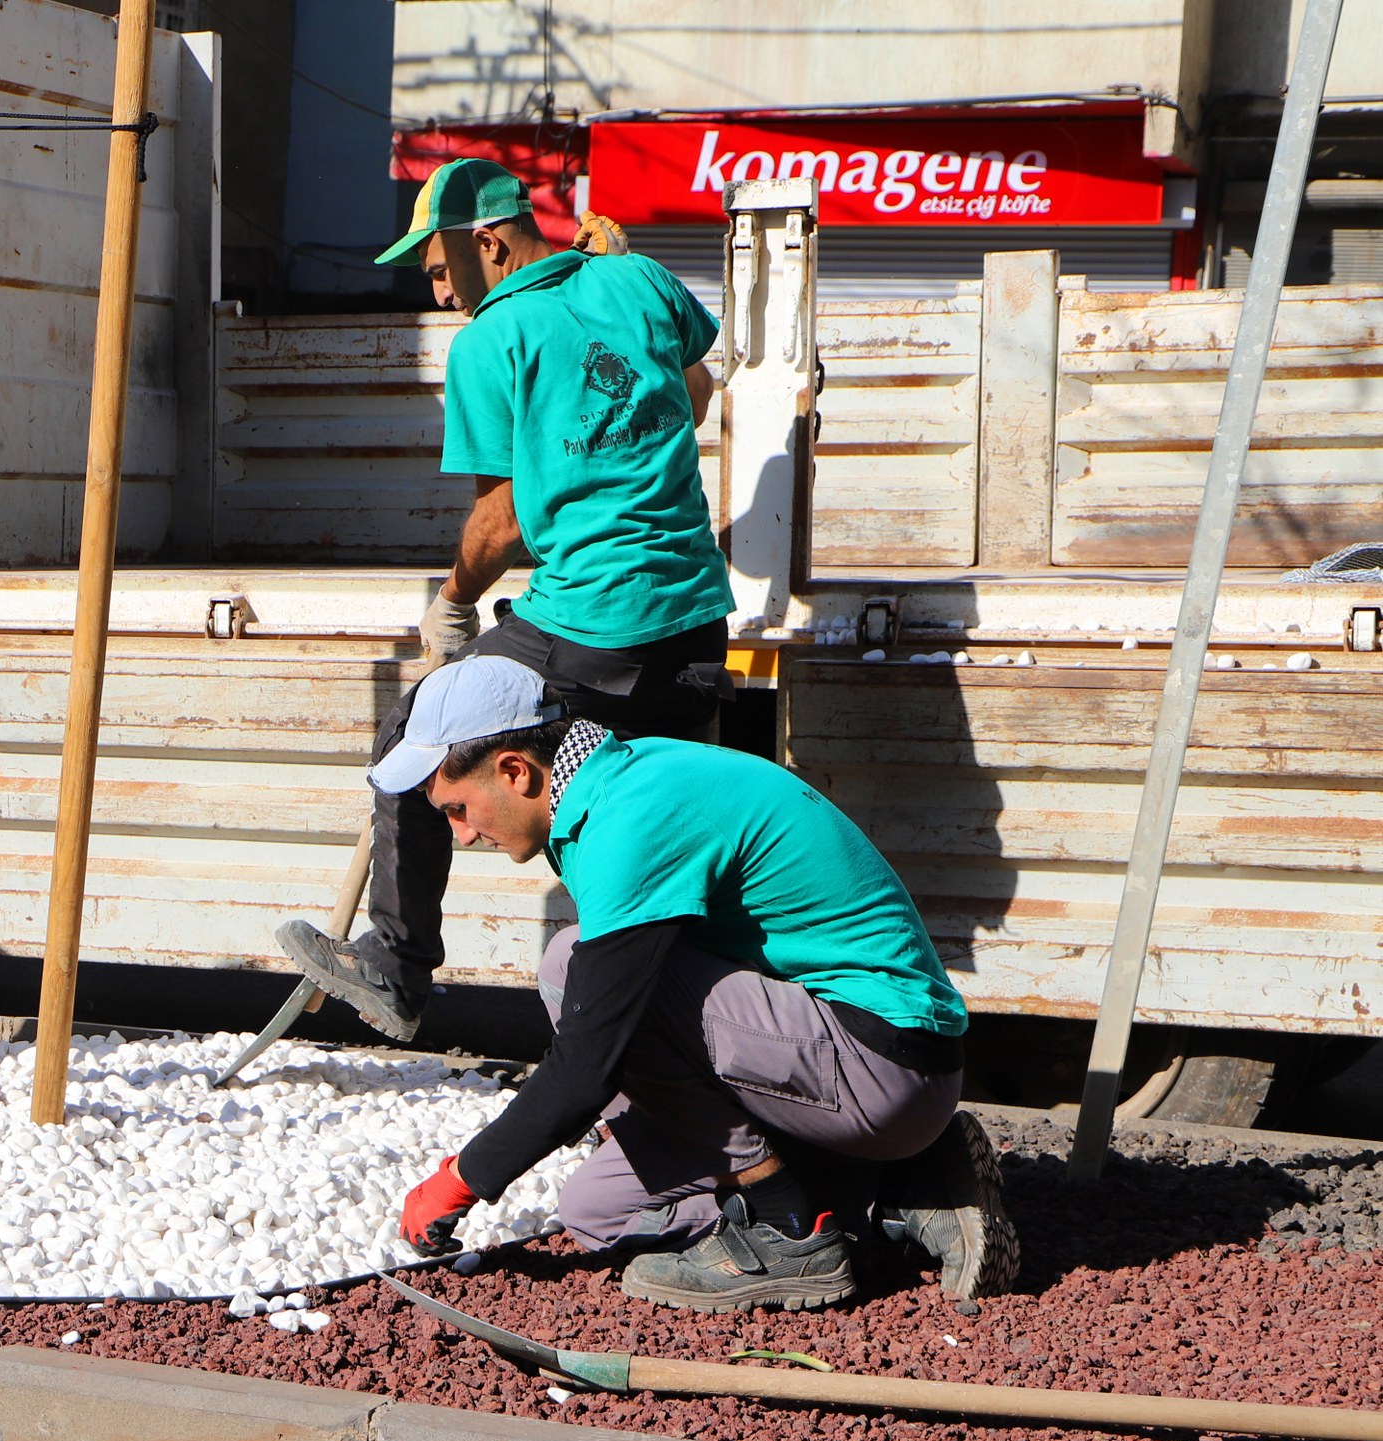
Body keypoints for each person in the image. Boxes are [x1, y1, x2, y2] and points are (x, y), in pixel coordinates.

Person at [381, 656, 1015, 1313]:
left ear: (515, 770)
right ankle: (901, 1191)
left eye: (457, 808)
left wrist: (463, 1179)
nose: (459, 833)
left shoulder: (632, 816)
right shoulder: (614, 783)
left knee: (574, 969)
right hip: (836, 1059)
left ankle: (792, 1230)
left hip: (885, 1064)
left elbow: (589, 1057)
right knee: (597, 1213)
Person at [280, 158, 733, 1046]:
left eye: (442, 268)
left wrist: (453, 600)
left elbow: (505, 517)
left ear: (488, 242)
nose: (440, 290)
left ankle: (398, 967)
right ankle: (700, 1025)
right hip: (696, 622)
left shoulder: (492, 339)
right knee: (663, 833)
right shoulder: (636, 278)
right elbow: (696, 392)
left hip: (595, 620)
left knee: (416, 733)